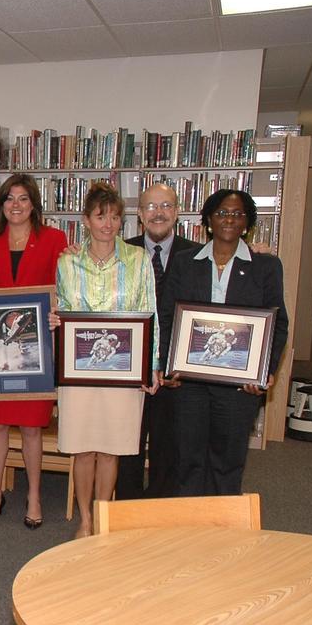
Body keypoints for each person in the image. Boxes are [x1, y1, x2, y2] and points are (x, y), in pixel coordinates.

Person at [159, 189, 288, 495]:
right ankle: (191, 528)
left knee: (228, 462)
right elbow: (167, 317)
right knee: (187, 459)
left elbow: (278, 323)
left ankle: (223, 532)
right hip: (188, 384)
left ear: (247, 223)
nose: (229, 219)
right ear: (208, 220)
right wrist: (168, 366)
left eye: (237, 214)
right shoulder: (184, 262)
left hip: (239, 387)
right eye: (222, 213)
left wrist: (262, 371)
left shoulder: (266, 266)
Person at [53, 181, 159, 538]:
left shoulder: (139, 260)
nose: (108, 224)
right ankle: (84, 520)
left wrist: (152, 365)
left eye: (115, 217)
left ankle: (102, 519)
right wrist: (56, 320)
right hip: (78, 371)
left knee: (112, 449)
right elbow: (63, 310)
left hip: (123, 372)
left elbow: (151, 313)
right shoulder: (67, 262)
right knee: (83, 449)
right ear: (86, 220)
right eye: (100, 216)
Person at [0, 174, 68, 528]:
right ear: (1, 205)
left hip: (37, 351)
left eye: (23, 198)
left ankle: (34, 496)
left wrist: (60, 315)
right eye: (9, 198)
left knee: (31, 429)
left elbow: (64, 290)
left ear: (34, 204)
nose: (16, 205)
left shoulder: (55, 239)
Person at [115, 183, 201, 499]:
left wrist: (254, 252)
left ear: (177, 212)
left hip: (177, 371)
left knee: (171, 445)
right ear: (140, 214)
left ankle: (162, 509)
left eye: (166, 206)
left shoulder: (198, 255)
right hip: (131, 367)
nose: (159, 213)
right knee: (128, 443)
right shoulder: (122, 252)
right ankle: (126, 507)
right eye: (151, 206)